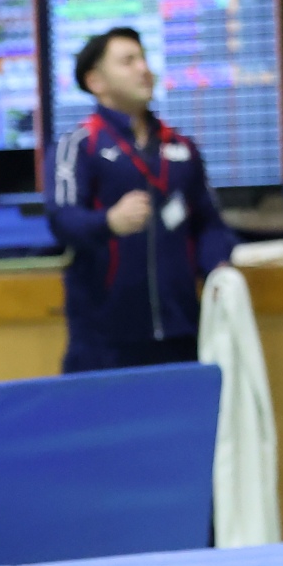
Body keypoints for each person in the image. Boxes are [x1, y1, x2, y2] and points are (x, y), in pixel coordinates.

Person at [44, 27, 235, 372]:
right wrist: (109, 222)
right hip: (105, 338)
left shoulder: (181, 147)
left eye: (144, 59)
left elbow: (209, 223)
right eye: (128, 61)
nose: (143, 69)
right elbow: (63, 219)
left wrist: (217, 266)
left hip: (181, 332)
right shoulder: (80, 146)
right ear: (95, 81)